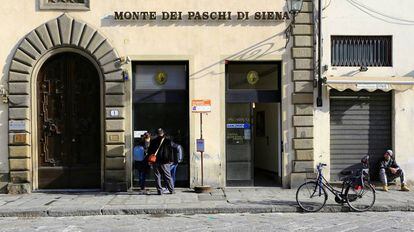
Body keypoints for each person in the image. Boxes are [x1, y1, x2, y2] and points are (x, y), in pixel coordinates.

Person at [148, 128, 175, 195]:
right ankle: (171, 190)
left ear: (157, 134)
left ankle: (159, 191)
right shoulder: (168, 141)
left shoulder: (153, 141)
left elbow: (150, 152)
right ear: (163, 133)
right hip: (165, 161)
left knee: (157, 176)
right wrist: (171, 160)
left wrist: (149, 160)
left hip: (155, 161)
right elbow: (170, 151)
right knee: (168, 176)